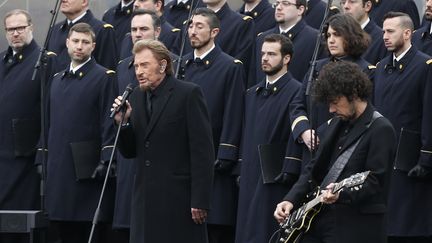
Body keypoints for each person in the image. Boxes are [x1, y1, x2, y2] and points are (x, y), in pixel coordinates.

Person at [274, 61, 397, 243]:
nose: (331, 109)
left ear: (353, 94)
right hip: (320, 220)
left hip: (356, 227)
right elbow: (313, 168)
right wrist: (291, 199)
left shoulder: (381, 129)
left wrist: (342, 193)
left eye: (335, 102)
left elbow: (375, 180)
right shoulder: (336, 124)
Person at [113, 39, 214, 243]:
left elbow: (202, 152)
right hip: (145, 200)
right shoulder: (135, 99)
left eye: (144, 65)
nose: (138, 71)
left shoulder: (188, 93)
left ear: (162, 65)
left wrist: (200, 200)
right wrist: (123, 125)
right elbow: (132, 151)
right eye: (136, 65)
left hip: (178, 198)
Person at [36, 23, 117, 243]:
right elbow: (47, 121)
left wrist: (107, 158)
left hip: (86, 169)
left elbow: (109, 122)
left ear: (93, 46)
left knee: (85, 229)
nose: (79, 47)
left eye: (85, 42)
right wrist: (41, 156)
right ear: (67, 43)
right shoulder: (56, 79)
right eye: (75, 41)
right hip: (58, 168)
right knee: (59, 229)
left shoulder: (104, 77)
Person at [182, 8, 245, 243]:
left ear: (214, 31)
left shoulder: (230, 66)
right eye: (190, 26)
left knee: (212, 230)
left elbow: (233, 111)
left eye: (199, 26)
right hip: (182, 158)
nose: (193, 31)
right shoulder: (182, 65)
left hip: (213, 157)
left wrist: (226, 152)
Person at [235, 34, 302, 243]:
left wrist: (288, 170)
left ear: (287, 58)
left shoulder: (297, 91)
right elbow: (244, 132)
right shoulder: (251, 93)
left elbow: (294, 138)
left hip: (276, 175)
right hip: (249, 173)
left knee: (266, 232)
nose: (264, 58)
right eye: (263, 53)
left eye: (272, 54)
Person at [374, 12, 432, 243]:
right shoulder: (380, 67)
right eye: (383, 32)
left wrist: (426, 157)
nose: (385, 37)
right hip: (384, 154)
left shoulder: (425, 66)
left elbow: (429, 113)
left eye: (391, 31)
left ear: (407, 33)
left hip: (410, 155)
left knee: (408, 227)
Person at [0, 9, 54, 243]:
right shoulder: (2, 59)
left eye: (20, 28)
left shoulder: (44, 60)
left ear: (31, 27)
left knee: (20, 224)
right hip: (1, 153)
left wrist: (42, 149)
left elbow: (49, 110)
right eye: (11, 29)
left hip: (25, 156)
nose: (16, 33)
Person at [290, 14, 374, 159]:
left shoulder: (365, 70)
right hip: (311, 148)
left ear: (351, 36)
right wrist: (304, 131)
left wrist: (323, 132)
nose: (331, 40)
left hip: (341, 148)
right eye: (328, 35)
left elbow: (362, 113)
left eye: (337, 34)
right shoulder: (316, 67)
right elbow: (297, 104)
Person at [113, 9, 163, 243]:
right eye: (133, 29)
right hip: (129, 152)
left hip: (158, 160)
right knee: (128, 225)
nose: (138, 34)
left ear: (157, 31)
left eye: (144, 29)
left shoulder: (172, 64)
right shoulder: (123, 66)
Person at [252, 0, 320, 84]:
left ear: (300, 10)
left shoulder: (315, 39)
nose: (279, 7)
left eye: (285, 3)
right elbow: (253, 80)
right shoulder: (261, 39)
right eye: (277, 4)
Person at [47, 0, 118, 73]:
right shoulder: (55, 29)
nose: (63, 0)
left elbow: (107, 75)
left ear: (84, 1)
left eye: (85, 42)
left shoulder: (102, 30)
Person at [341, 0, 387, 65]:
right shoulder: (336, 35)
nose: (346, 6)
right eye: (343, 2)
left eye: (352, 2)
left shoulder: (381, 39)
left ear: (367, 6)